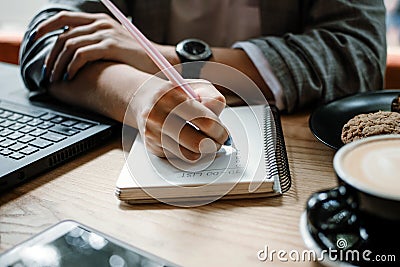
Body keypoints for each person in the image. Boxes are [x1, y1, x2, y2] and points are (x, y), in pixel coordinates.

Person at [20, 0, 387, 161]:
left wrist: (168, 58)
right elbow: (46, 41)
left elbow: (358, 54)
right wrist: (140, 95)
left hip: (301, 152)